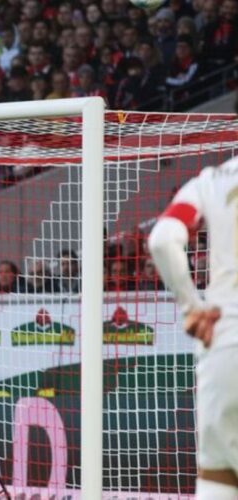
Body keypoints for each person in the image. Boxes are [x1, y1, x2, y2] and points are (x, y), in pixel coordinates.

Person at [148, 163, 235, 498]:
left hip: (224, 343)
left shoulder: (212, 180)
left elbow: (162, 240)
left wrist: (191, 307)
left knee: (219, 478)